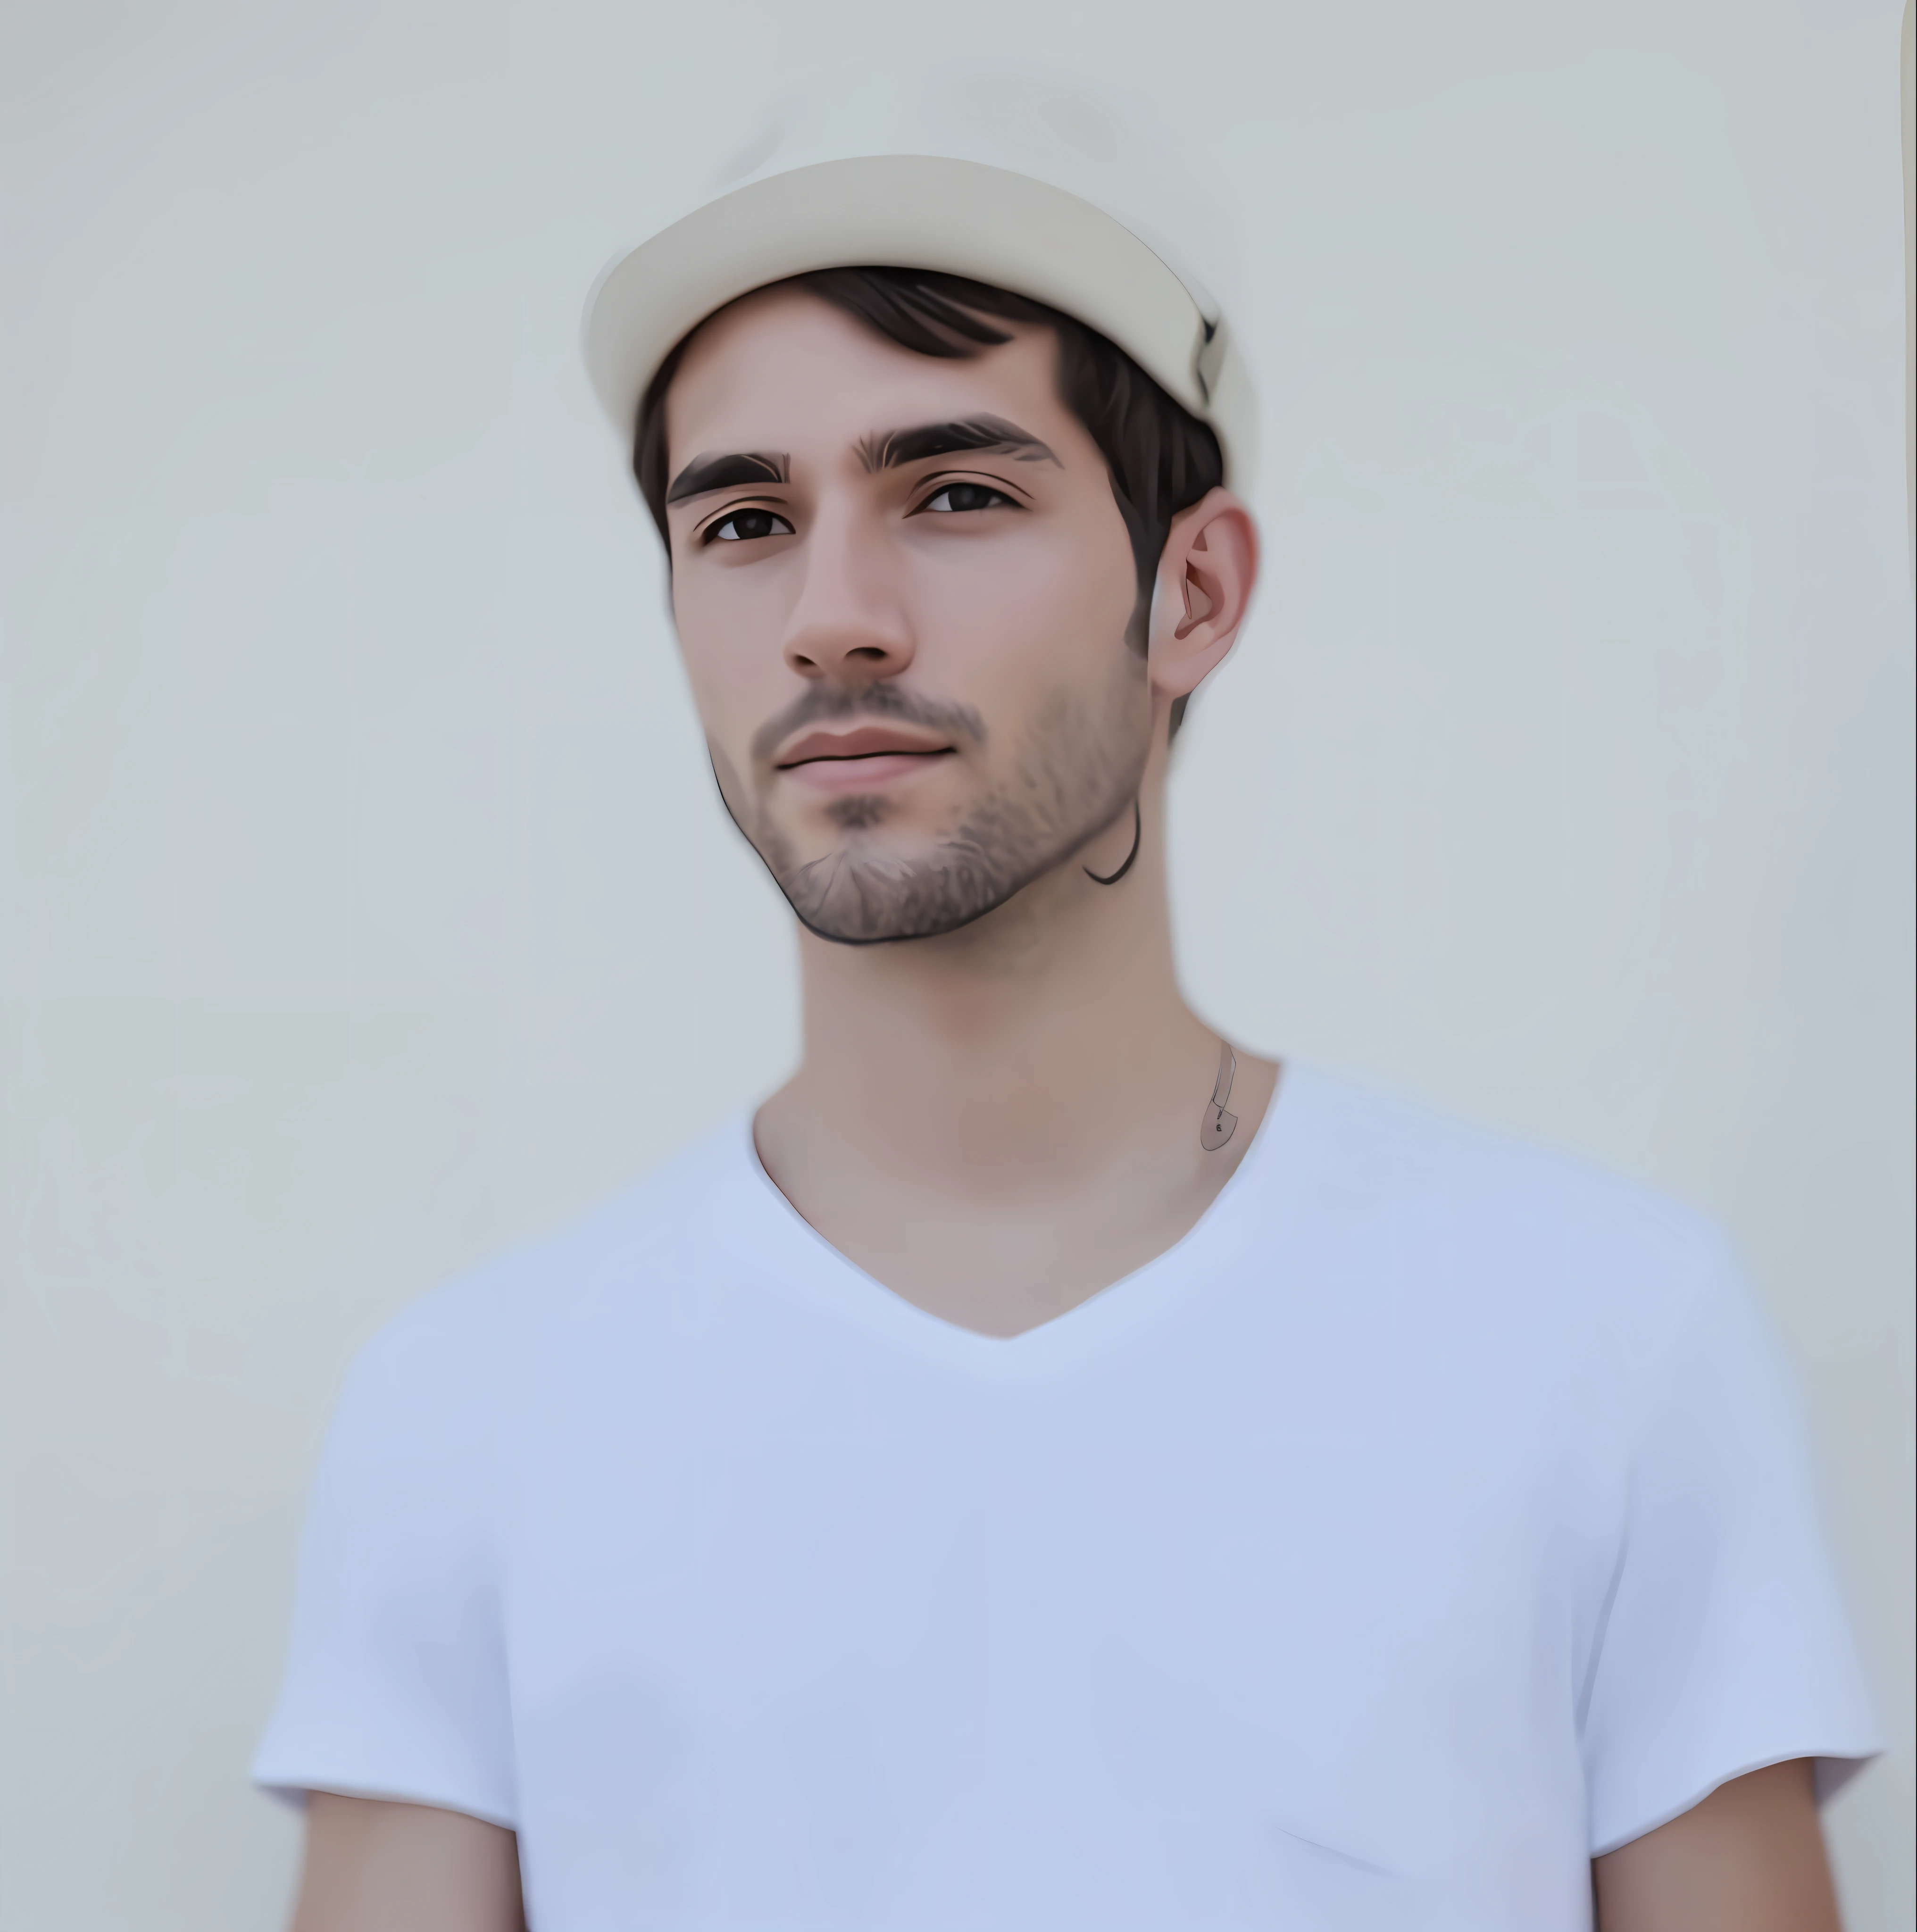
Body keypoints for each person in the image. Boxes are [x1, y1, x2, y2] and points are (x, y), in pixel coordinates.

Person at [255, 151, 1880, 1931]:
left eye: (953, 493)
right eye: (741, 523)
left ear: (1193, 596)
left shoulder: (1608, 1339)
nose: (830, 617)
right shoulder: (468, 1415)